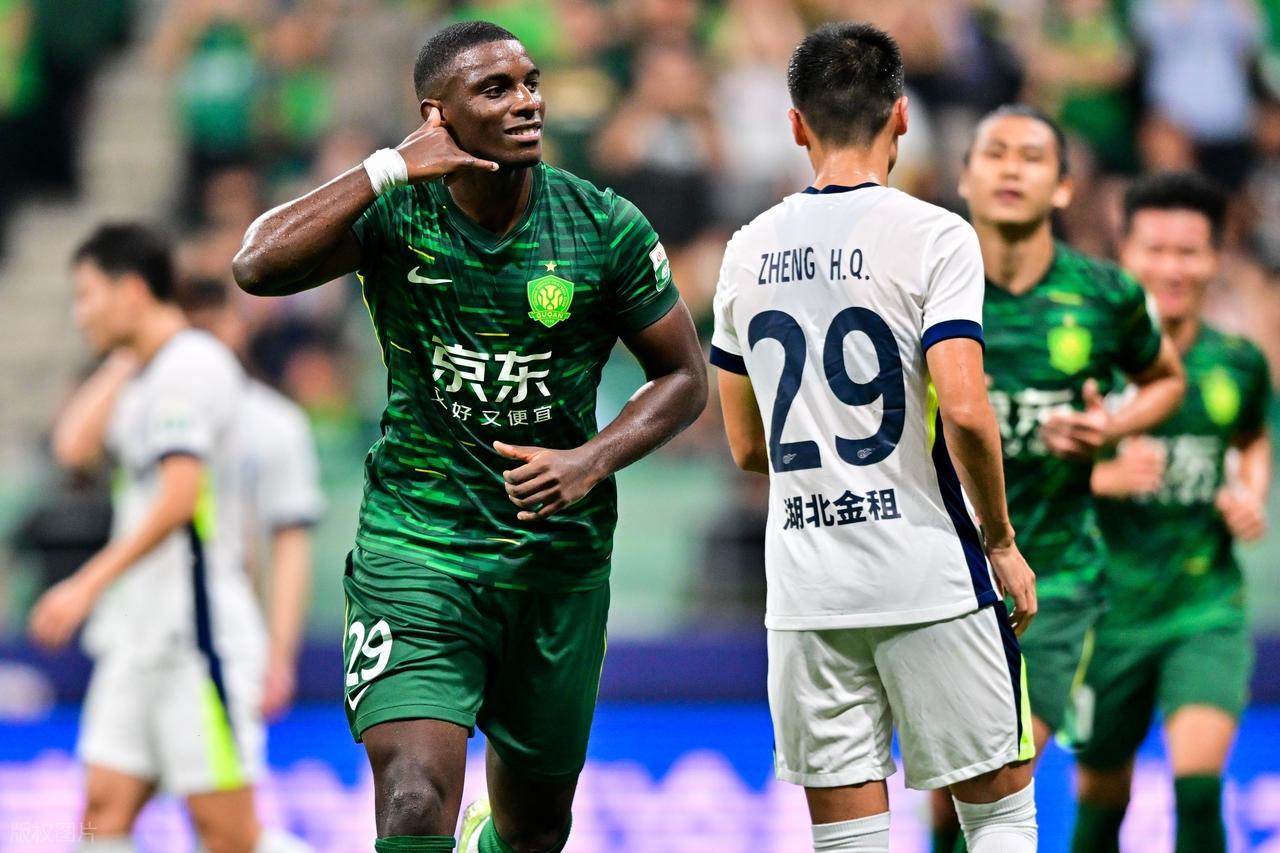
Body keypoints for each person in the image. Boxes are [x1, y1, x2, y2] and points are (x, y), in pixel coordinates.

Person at [231, 20, 707, 853]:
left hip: (552, 559)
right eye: (496, 88)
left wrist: (590, 459)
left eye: (530, 82)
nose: (527, 101)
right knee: (414, 800)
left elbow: (684, 377)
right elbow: (255, 265)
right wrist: (387, 167)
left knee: (535, 831)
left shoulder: (603, 226)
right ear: (437, 116)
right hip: (418, 545)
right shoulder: (396, 212)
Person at [712, 23, 1039, 852]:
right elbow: (964, 408)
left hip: (806, 591)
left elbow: (746, 447)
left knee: (849, 838)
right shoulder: (936, 235)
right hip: (929, 573)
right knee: (999, 817)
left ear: (796, 125)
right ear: (902, 116)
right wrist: (1001, 540)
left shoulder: (745, 251)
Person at [929, 105, 1187, 853]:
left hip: (1056, 581)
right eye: (996, 153)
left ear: (1065, 187)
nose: (1012, 168)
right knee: (950, 804)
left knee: (1005, 769)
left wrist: (1114, 428)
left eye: (1032, 156)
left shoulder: (1105, 295)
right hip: (943, 574)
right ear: (965, 177)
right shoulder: (921, 288)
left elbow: (1165, 379)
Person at [27, 224, 305, 853]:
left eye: (87, 295)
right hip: (136, 639)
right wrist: (128, 352)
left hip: (196, 643)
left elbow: (179, 498)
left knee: (227, 835)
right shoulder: (146, 372)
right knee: (102, 812)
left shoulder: (192, 366)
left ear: (130, 291)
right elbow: (72, 447)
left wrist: (85, 584)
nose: (79, 314)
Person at [1072, 171, 1271, 853]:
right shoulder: (1088, 362)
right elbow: (1028, 473)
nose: (1171, 268)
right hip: (1105, 615)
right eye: (1154, 250)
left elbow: (1252, 438)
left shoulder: (1237, 363)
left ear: (1216, 259)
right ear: (1124, 254)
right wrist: (1104, 477)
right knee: (1102, 800)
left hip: (1203, 608)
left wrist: (1250, 490)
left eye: (1189, 252)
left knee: (1198, 787)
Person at [179, 278, 326, 719]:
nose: (204, 341)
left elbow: (290, 546)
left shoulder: (275, 423)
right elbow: (75, 448)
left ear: (239, 324)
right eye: (193, 326)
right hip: (145, 630)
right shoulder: (146, 404)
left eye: (215, 322)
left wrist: (278, 657)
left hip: (230, 628)